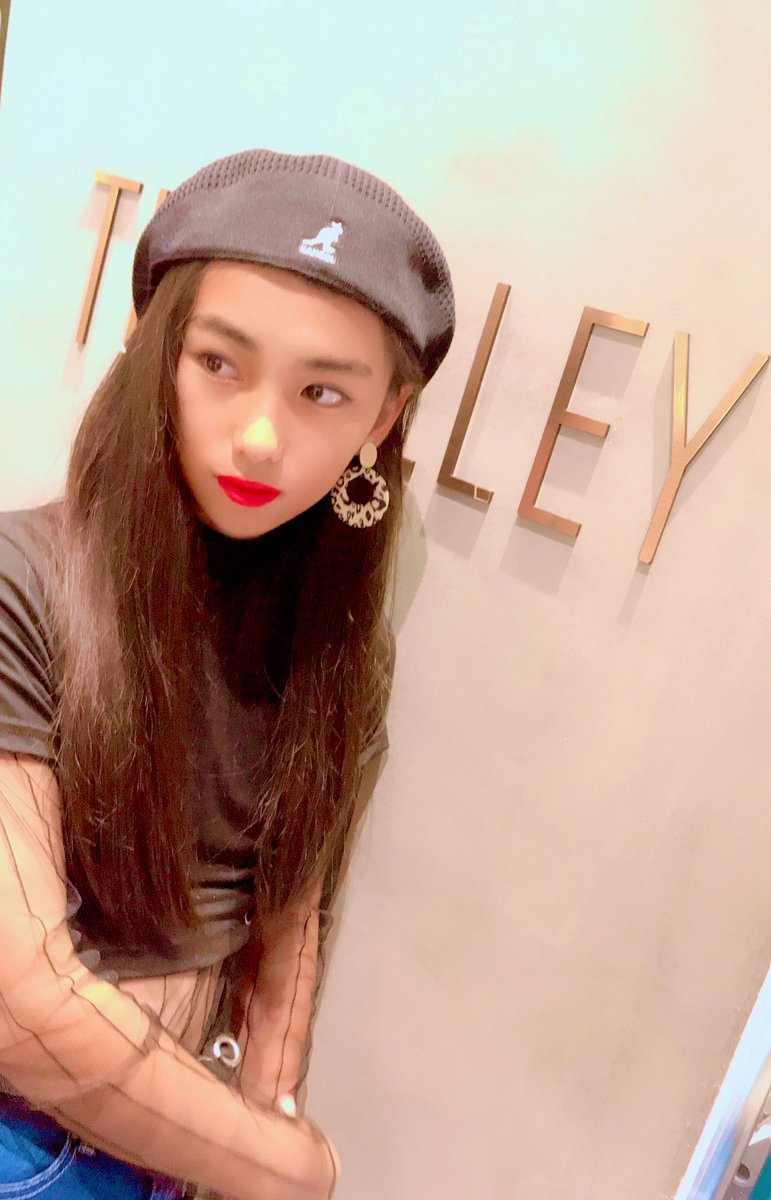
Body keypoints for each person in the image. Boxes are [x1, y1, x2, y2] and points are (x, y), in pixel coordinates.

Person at [0, 148, 455, 1199]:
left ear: (382, 420)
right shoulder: (24, 582)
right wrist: (292, 1169)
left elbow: (287, 931)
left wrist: (260, 1123)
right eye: (219, 362)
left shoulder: (337, 651)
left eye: (322, 391)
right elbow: (22, 1001)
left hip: (176, 1155)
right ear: (154, 348)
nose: (258, 435)